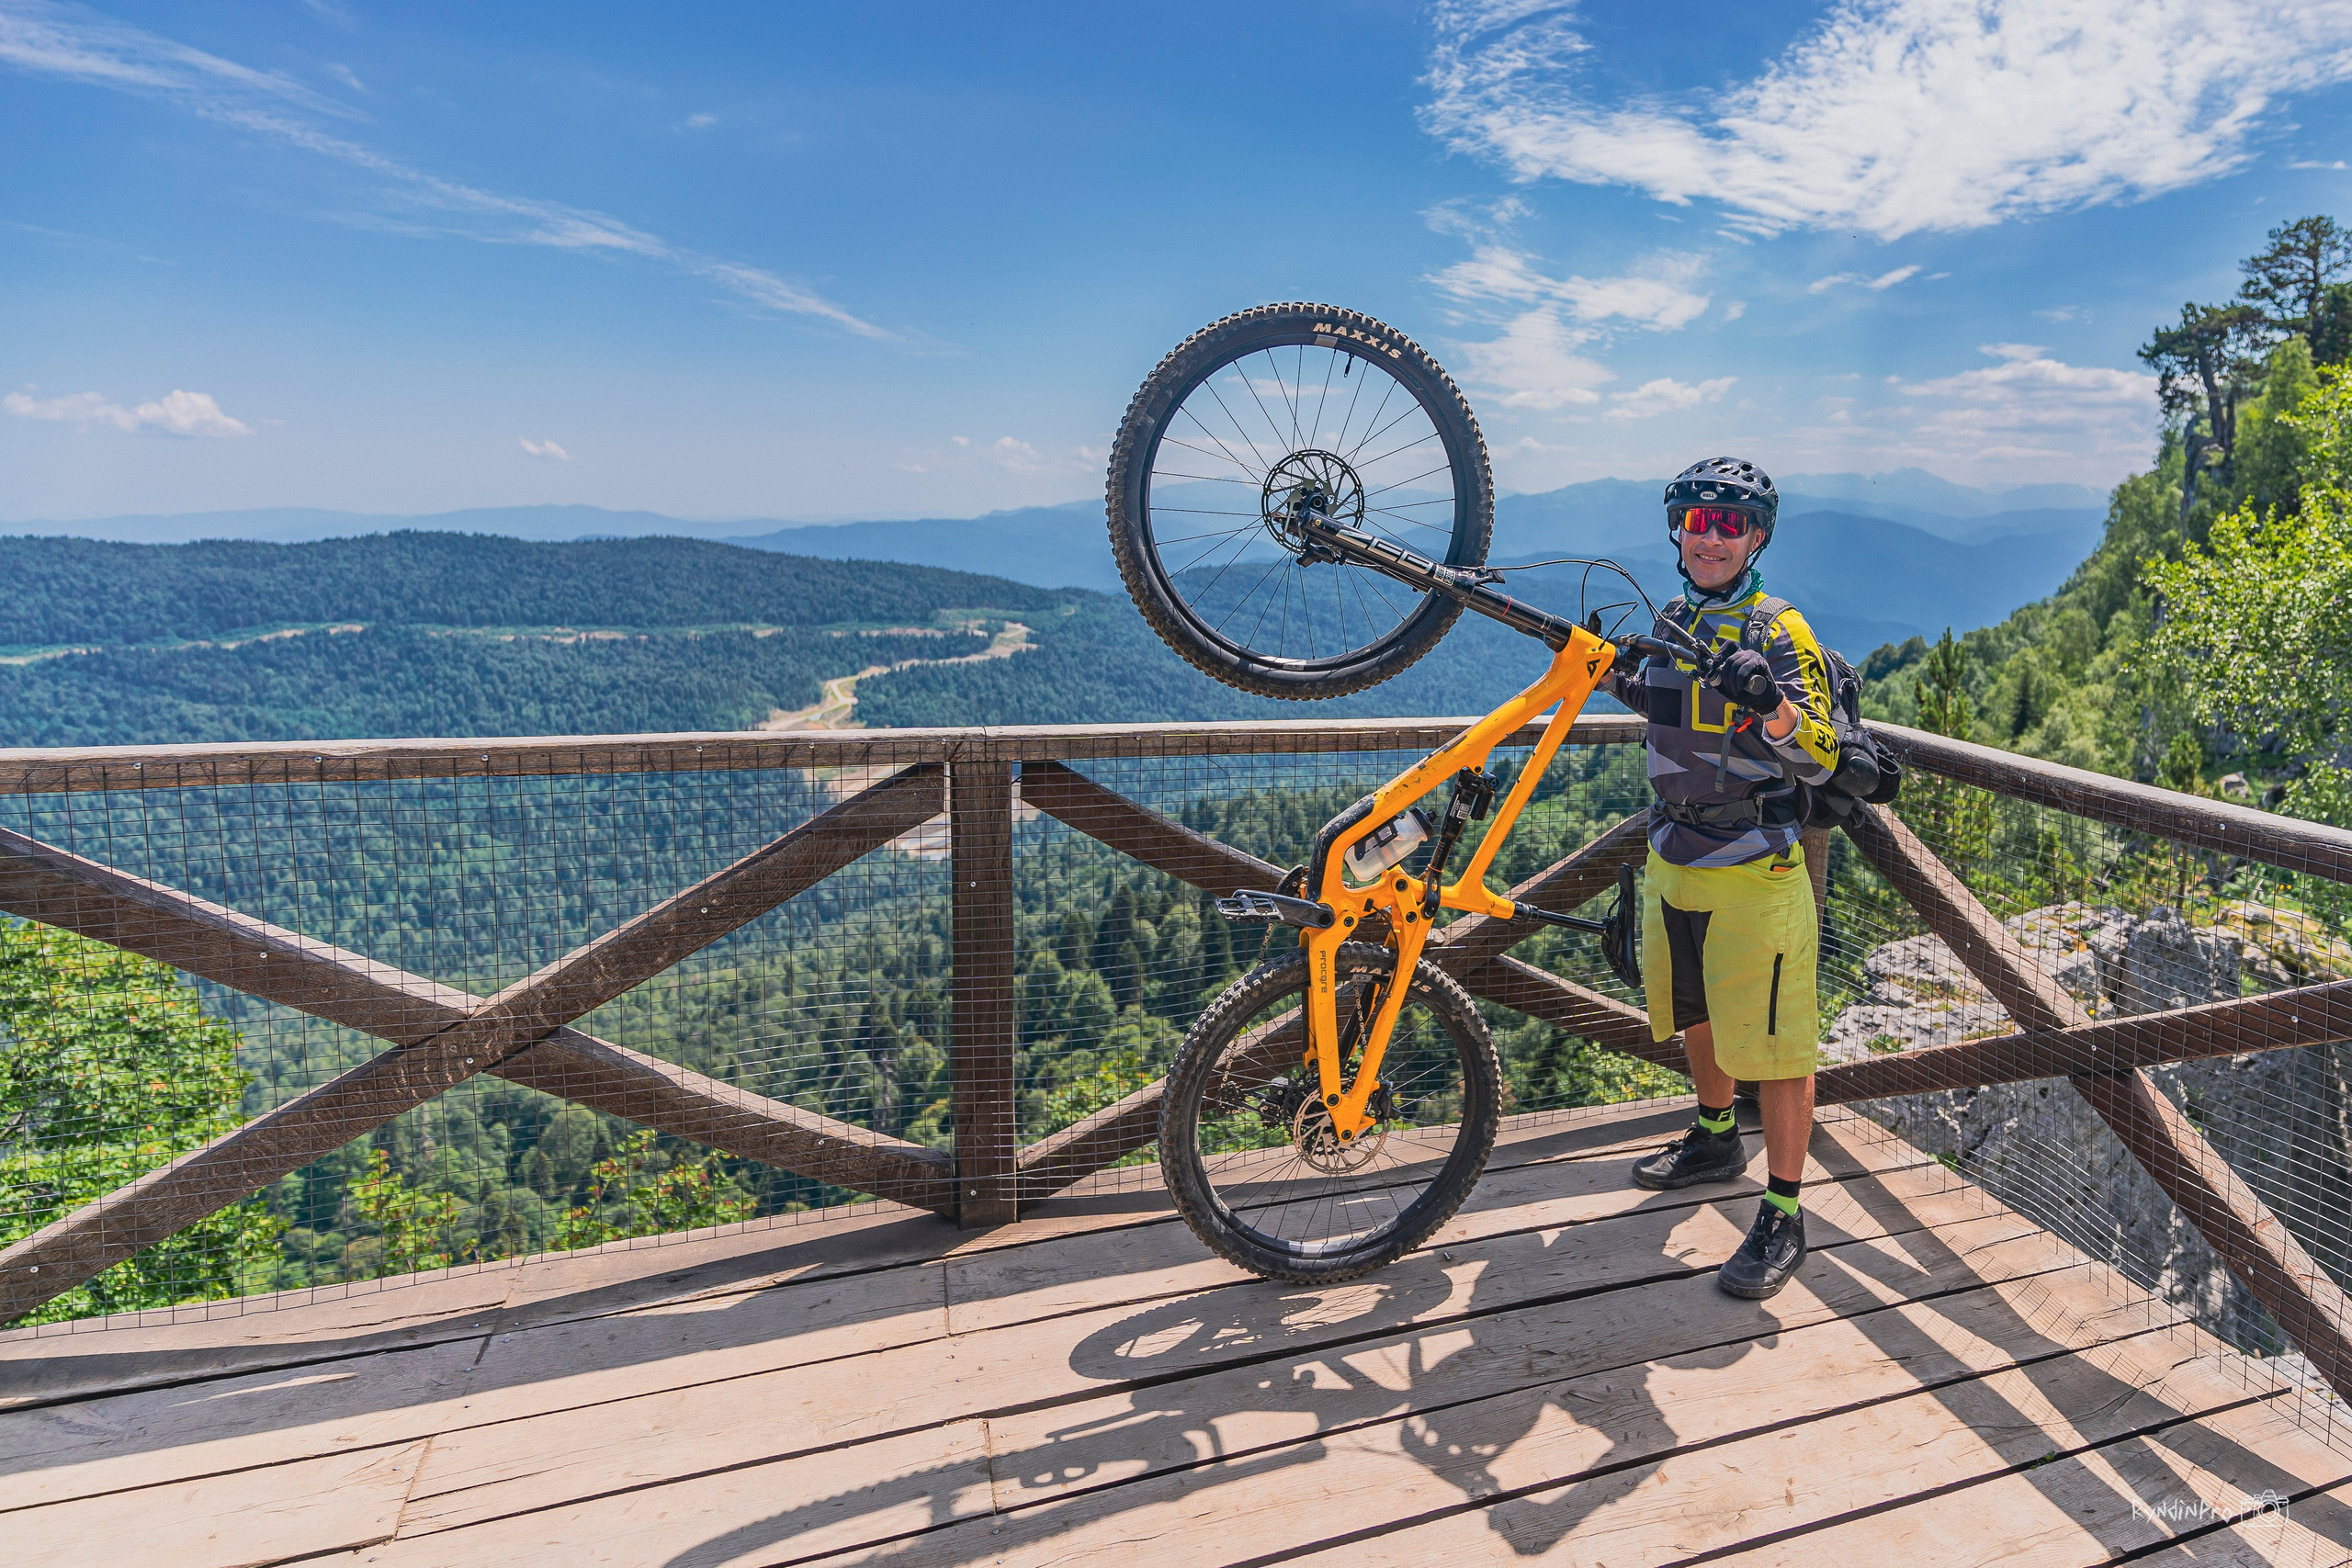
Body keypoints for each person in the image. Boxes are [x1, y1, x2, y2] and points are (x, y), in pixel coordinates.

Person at [1604, 457, 1840, 1300]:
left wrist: (1769, 702)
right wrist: (1612, 673)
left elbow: (1821, 752)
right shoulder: (1675, 617)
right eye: (1697, 522)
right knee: (1695, 1009)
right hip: (1674, 853)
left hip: (1753, 863)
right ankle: (1714, 1137)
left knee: (1779, 1046)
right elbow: (1667, 707)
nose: (1711, 538)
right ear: (1678, 531)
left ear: (1757, 537)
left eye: (1729, 524)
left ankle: (1784, 1213)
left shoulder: (1780, 629)